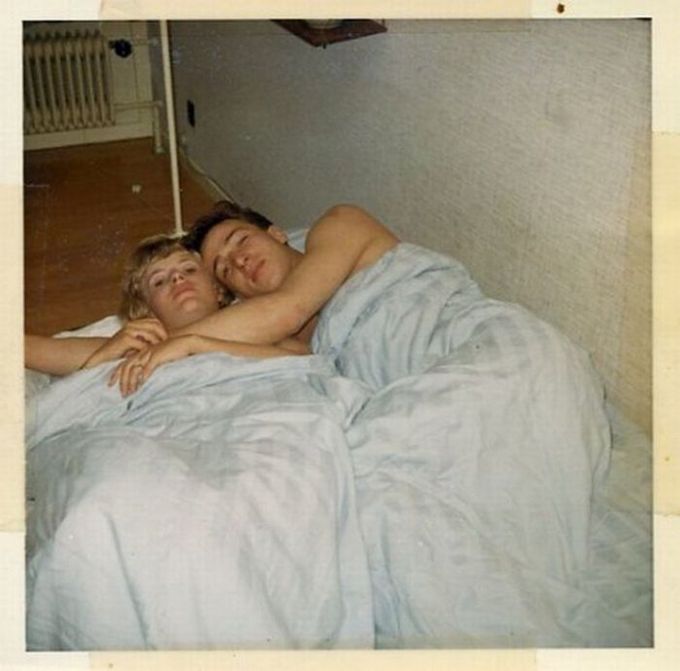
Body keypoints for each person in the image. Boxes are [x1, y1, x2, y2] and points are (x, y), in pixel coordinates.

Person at [112, 201, 398, 391]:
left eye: (241, 240)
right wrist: (113, 349)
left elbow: (286, 310)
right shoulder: (282, 338)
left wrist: (174, 344)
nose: (239, 260)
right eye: (224, 269)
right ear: (238, 299)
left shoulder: (340, 223)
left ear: (276, 233)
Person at [26, 234, 308, 395]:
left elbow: (302, 358)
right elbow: (27, 349)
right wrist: (102, 357)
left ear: (217, 289)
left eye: (189, 270)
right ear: (148, 310)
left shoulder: (250, 324)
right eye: (159, 281)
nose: (177, 279)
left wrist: (196, 345)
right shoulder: (137, 344)